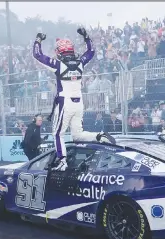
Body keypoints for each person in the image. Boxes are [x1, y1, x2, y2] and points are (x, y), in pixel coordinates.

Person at [32, 28, 116, 171]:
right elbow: (91, 51)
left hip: (65, 103)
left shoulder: (58, 65)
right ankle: (99, 136)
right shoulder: (80, 63)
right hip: (79, 103)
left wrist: (38, 39)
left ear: (60, 51)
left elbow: (37, 54)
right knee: (78, 134)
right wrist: (86, 36)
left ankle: (62, 161)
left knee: (58, 134)